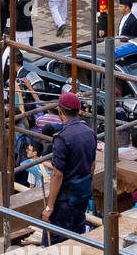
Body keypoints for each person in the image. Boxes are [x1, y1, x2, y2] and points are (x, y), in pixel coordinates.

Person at [41, 91, 96, 243]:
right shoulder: (90, 133)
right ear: (78, 111)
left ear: (60, 111)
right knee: (77, 238)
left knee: (55, 242)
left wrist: (49, 207)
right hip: (82, 194)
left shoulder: (62, 138)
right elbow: (92, 165)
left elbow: (57, 175)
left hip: (65, 199)